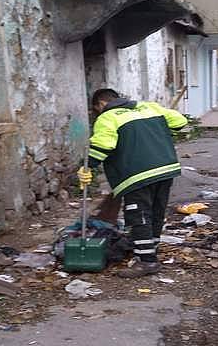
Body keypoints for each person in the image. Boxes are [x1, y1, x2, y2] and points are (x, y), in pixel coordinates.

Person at [77, 89, 188, 278]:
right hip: (166, 168)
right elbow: (180, 122)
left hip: (137, 174)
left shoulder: (107, 117)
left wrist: (87, 168)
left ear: (100, 104)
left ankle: (147, 262)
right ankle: (149, 250)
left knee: (139, 216)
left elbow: (103, 146)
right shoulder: (149, 107)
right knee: (156, 212)